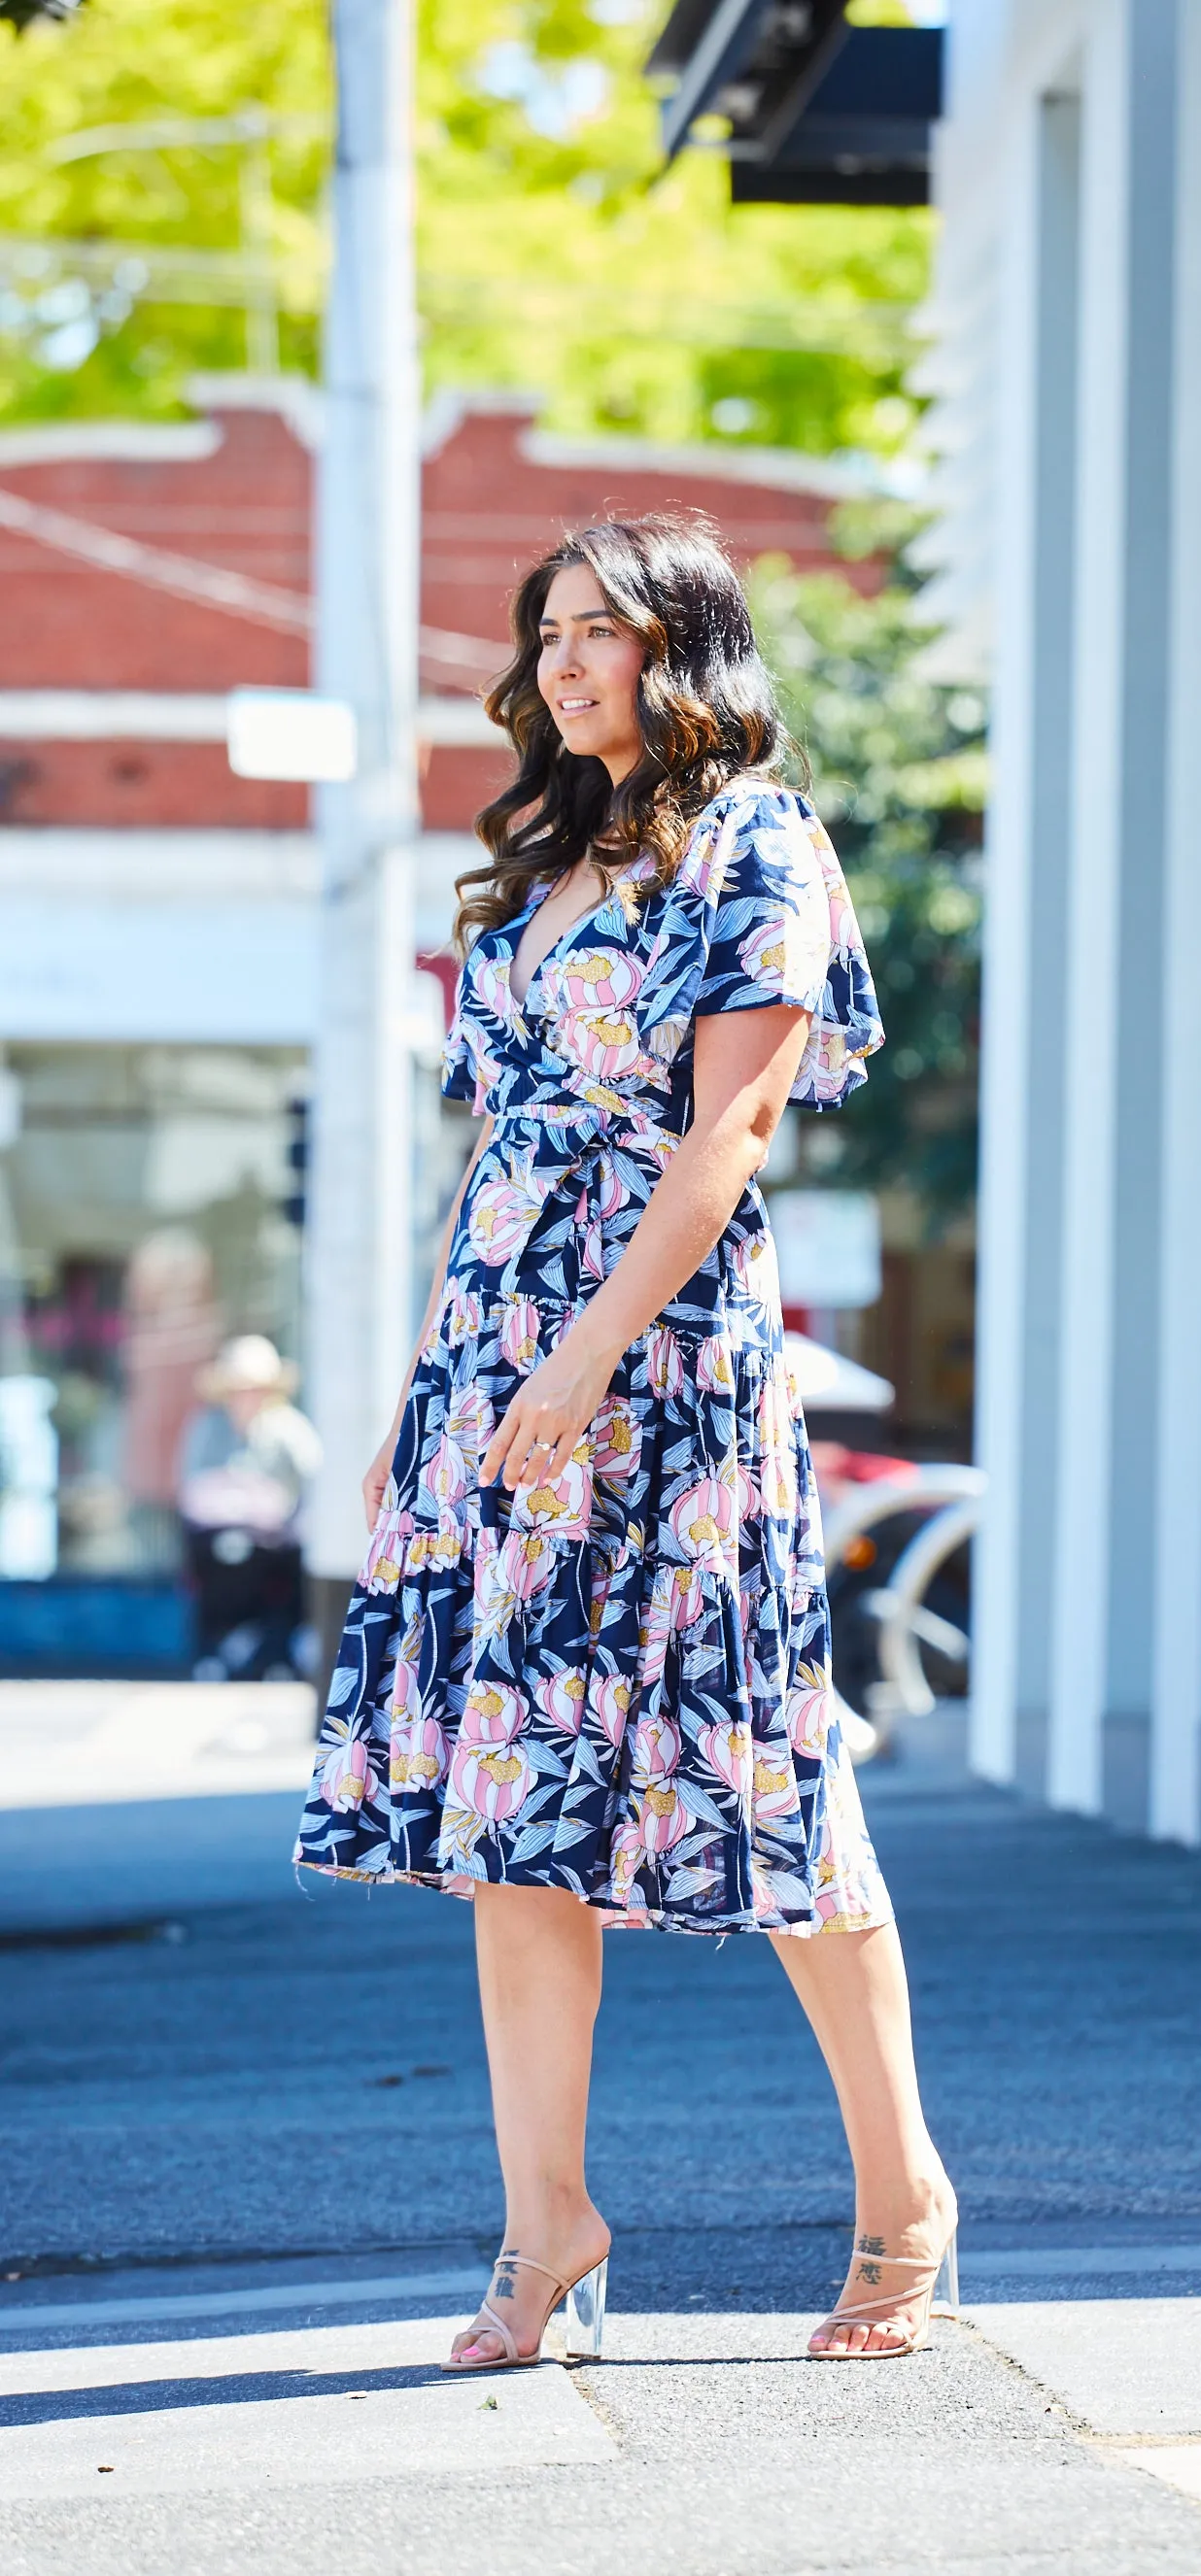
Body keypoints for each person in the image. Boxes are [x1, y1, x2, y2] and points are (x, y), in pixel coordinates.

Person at [293, 517, 956, 2369]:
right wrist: (425, 1393)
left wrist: (585, 1359)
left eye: (604, 632)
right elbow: (490, 1154)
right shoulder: (524, 870)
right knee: (511, 1799)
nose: (566, 661)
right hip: (500, 1373)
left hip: (659, 1375)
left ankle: (903, 2196)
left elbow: (724, 1140)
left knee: (765, 1770)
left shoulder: (760, 843)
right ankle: (542, 2229)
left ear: (689, 655)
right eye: (549, 631)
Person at [179, 1334, 320, 1678]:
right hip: (215, 1548)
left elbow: (315, 1483)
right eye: (239, 1388)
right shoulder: (206, 1427)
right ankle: (216, 1649)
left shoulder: (290, 1429)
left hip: (276, 1548)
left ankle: (277, 1648)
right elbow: (189, 1486)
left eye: (253, 1388)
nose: (246, 1397)